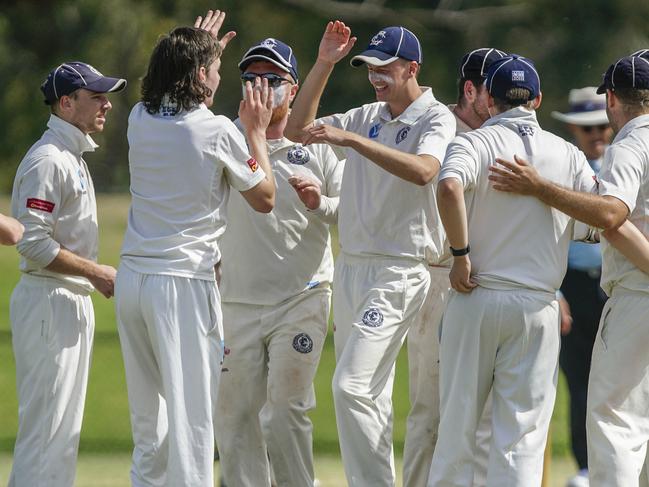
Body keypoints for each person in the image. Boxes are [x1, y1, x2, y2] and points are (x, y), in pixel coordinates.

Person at [285, 21, 456, 486]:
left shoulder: (434, 117)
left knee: (350, 387)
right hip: (353, 269)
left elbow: (425, 171)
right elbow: (298, 129)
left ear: (412, 67)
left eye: (385, 67)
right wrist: (324, 63)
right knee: (371, 399)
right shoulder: (370, 113)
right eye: (368, 68)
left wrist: (354, 140)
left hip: (400, 272)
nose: (375, 76)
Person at [114, 11, 276, 487]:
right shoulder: (219, 130)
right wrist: (259, 135)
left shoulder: (138, 117)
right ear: (201, 76)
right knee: (193, 423)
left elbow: (176, 95)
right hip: (182, 286)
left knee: (152, 427)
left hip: (133, 283)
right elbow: (265, 197)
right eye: (216, 71)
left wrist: (197, 51)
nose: (222, 77)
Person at [429, 54, 600, 486]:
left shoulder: (473, 143)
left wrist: (460, 253)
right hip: (538, 304)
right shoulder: (567, 153)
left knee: (457, 427)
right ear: (538, 100)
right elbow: (596, 220)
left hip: (476, 295)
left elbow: (449, 186)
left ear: (487, 98)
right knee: (521, 436)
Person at [488, 54, 649, 487]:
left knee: (614, 419)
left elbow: (611, 217)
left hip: (638, 294)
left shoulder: (631, 144)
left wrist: (540, 188)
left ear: (612, 99)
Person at [214, 38, 343, 487]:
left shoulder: (317, 140)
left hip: (302, 295)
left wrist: (320, 203)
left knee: (287, 413)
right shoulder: (226, 138)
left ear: (292, 87)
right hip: (237, 300)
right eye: (251, 78)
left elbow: (352, 211)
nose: (260, 87)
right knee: (233, 417)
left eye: (272, 79)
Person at [9, 61, 126, 487]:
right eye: (96, 96)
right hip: (48, 302)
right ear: (65, 102)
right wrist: (96, 273)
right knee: (46, 434)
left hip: (66, 301)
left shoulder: (71, 155)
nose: (106, 105)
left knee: (62, 435)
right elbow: (32, 242)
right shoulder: (48, 159)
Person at [550, 86, 613, 487]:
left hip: (615, 283)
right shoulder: (561, 166)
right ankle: (586, 466)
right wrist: (554, 291)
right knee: (580, 379)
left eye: (603, 125)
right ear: (574, 129)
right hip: (570, 284)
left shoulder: (628, 162)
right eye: (588, 127)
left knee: (620, 378)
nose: (597, 135)